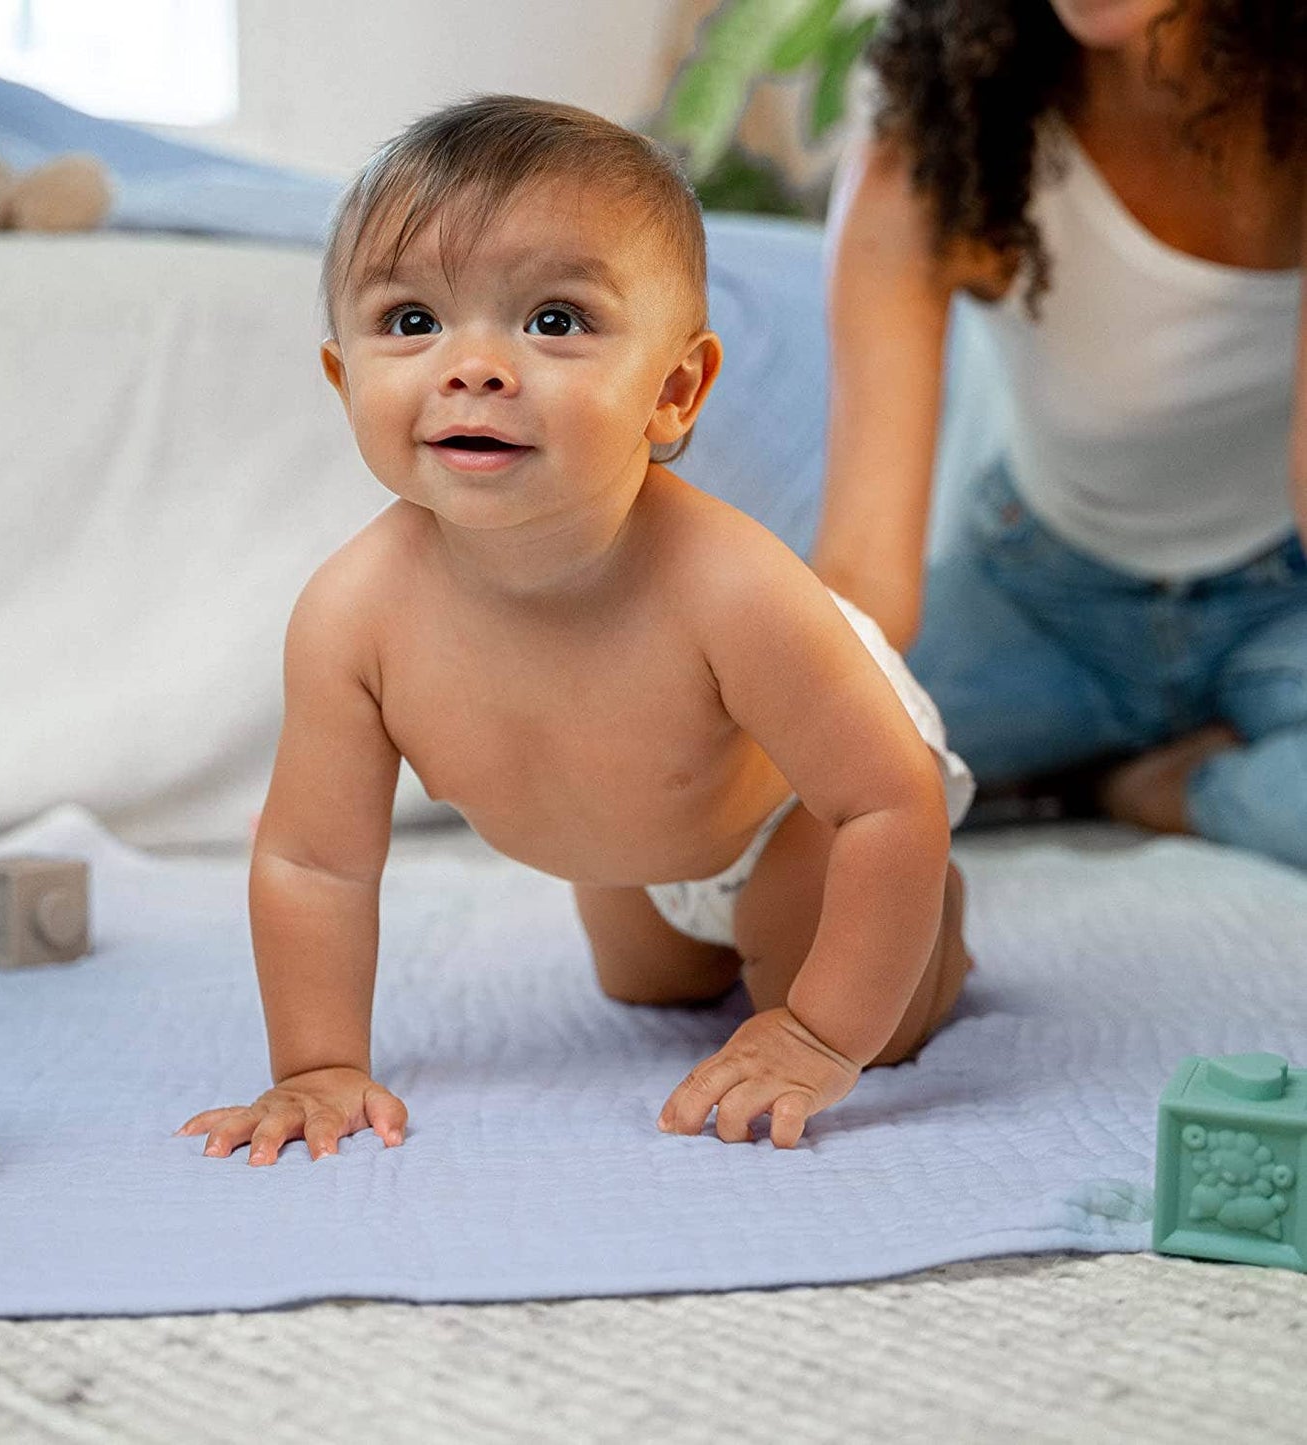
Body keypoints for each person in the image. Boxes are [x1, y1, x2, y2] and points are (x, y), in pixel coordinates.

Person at [178, 96, 976, 1164]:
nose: (473, 365)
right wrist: (317, 1064)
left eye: (553, 320)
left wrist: (818, 1035)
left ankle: (938, 935)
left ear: (674, 388)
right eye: (412, 320)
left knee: (819, 985)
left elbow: (885, 797)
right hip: (635, 842)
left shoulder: (732, 587)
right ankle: (717, 926)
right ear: (344, 377)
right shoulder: (350, 613)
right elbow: (315, 860)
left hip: (805, 806)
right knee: (648, 985)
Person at [818, 0, 1306, 868]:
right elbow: (859, 577)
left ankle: (1149, 789)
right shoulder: (940, 135)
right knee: (771, 764)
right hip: (1040, 599)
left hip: (1284, 603)